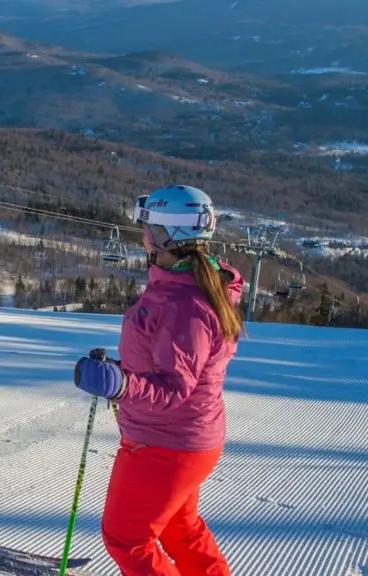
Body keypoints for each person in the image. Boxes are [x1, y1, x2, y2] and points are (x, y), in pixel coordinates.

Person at [74, 184, 244, 575]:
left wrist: (119, 384)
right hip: (186, 440)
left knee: (127, 539)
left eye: (147, 226)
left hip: (164, 444)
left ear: (163, 235)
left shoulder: (183, 303)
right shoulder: (187, 287)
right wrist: (121, 368)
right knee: (180, 529)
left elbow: (172, 389)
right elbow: (173, 364)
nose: (142, 234)